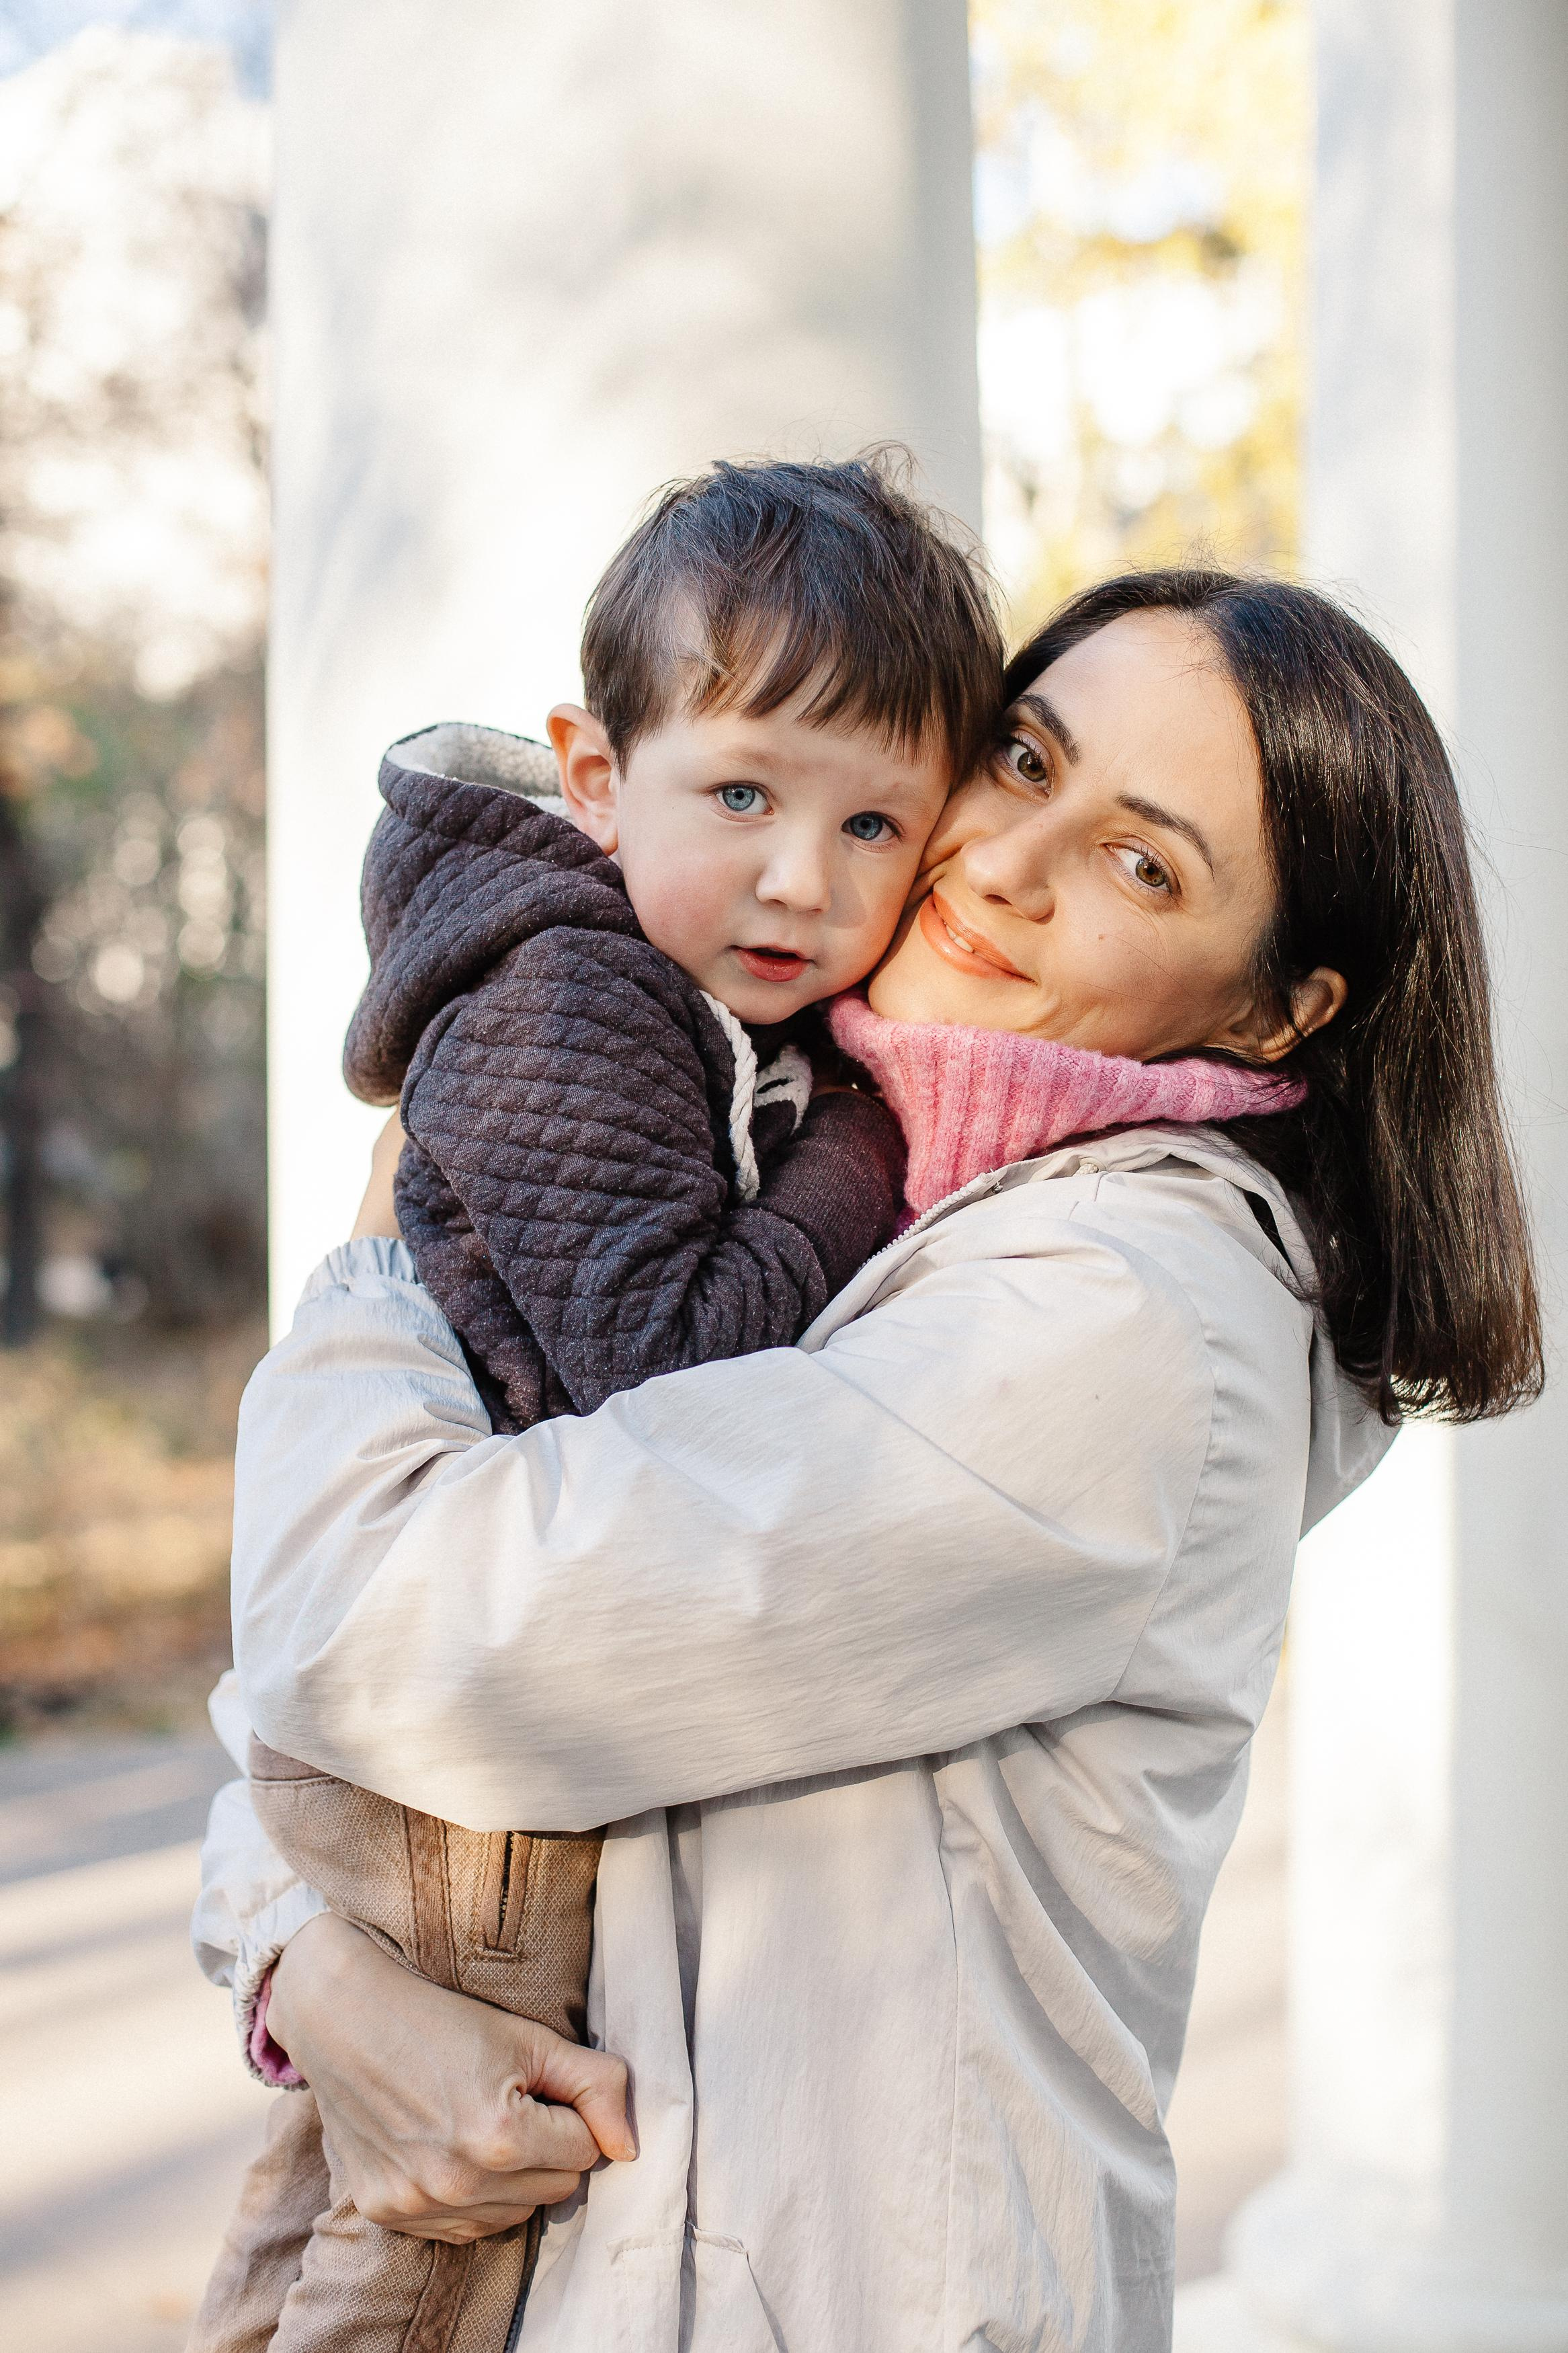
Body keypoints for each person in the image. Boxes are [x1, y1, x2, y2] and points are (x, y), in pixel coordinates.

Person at [196, 569, 1542, 2353]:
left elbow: (376, 1624)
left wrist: (373, 1258)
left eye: (1143, 864)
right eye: (1020, 754)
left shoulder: (1114, 1327)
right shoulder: (834, 1167)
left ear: (1282, 1011)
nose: (1004, 860)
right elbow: (341, 1702)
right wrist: (311, 1964)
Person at [192, 454, 1008, 2352]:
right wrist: (878, 1139)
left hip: (434, 1663)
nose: (806, 876)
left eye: (877, 821)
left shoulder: (685, 999)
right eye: (741, 793)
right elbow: (672, 1352)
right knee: (437, 2207)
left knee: (335, 2169)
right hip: (445, 1710)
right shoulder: (574, 998)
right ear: (592, 776)